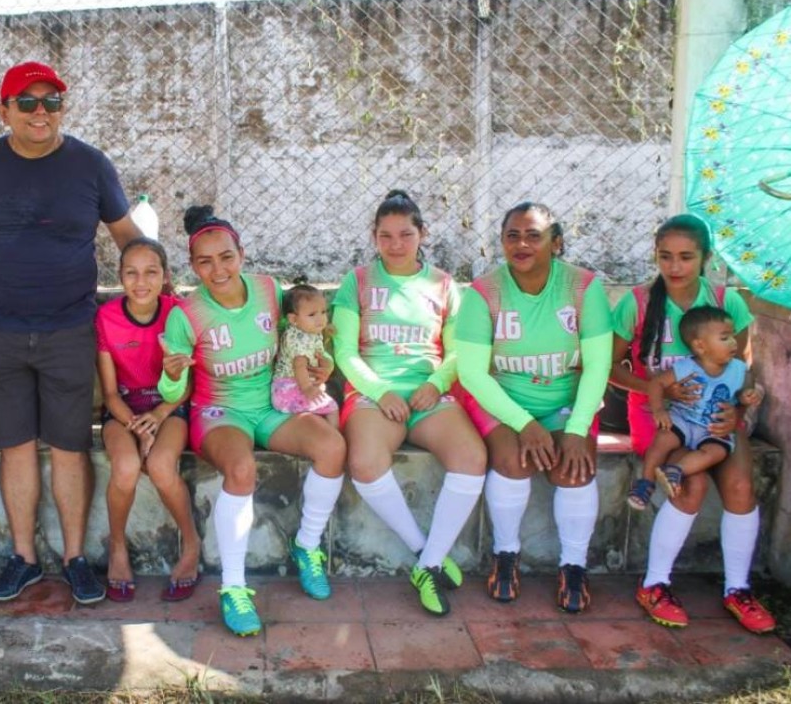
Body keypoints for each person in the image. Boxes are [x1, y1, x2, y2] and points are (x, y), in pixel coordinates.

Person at [0, 61, 141, 606]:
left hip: (71, 329)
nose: (40, 112)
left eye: (51, 101)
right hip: (0, 330)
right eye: (26, 102)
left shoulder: (91, 165)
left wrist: (157, 296)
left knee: (71, 448)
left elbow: (127, 236)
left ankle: (75, 559)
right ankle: (23, 559)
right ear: (4, 110)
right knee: (16, 448)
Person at [158, 205, 346, 637]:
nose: (217, 269)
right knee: (241, 469)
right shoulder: (186, 314)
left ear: (241, 254)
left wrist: (323, 366)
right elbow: (173, 391)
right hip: (219, 412)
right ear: (193, 266)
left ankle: (306, 547)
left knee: (333, 447)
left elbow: (302, 339)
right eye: (205, 262)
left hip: (270, 406)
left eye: (226, 256)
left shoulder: (267, 290)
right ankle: (234, 588)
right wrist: (171, 377)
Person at [609, 213, 775, 633]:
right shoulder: (639, 302)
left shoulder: (726, 301)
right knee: (692, 482)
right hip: (660, 415)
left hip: (716, 417)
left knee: (740, 483)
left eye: (686, 257)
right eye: (665, 257)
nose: (675, 267)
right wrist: (657, 387)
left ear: (705, 258)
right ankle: (655, 584)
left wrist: (739, 412)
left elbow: (742, 370)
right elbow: (611, 368)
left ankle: (738, 589)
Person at [332, 190, 486, 616]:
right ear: (374, 237)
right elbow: (344, 352)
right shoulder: (357, 282)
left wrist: (437, 383)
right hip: (373, 393)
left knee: (472, 457)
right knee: (363, 462)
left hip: (428, 392)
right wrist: (379, 391)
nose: (395, 244)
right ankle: (426, 552)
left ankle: (429, 563)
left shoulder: (443, 284)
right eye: (385, 236)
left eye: (405, 234)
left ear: (423, 234)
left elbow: (457, 352)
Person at [455, 202, 612, 614]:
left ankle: (573, 565)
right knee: (512, 461)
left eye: (534, 235)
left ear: (555, 242)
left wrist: (577, 429)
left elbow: (598, 365)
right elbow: (471, 373)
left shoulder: (583, 287)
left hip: (565, 402)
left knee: (573, 467)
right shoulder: (483, 292)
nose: (521, 244)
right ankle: (505, 554)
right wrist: (523, 422)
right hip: (503, 401)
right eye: (512, 236)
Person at [96, 237, 201, 603]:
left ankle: (190, 544)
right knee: (125, 466)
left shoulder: (179, 313)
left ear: (165, 276)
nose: (141, 282)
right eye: (131, 273)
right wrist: (137, 426)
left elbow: (188, 385)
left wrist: (157, 416)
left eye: (151, 272)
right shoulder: (106, 318)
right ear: (120, 276)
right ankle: (118, 549)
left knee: (159, 464)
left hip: (168, 408)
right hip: (123, 410)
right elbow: (110, 393)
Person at [628, 307, 759, 508]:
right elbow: (657, 383)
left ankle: (676, 470)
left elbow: (745, 388)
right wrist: (659, 410)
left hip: (712, 429)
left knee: (717, 452)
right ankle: (646, 482)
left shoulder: (738, 369)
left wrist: (746, 396)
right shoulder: (687, 366)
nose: (734, 342)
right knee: (662, 439)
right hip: (683, 420)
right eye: (725, 338)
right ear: (700, 346)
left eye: (732, 336)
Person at [271, 283, 339, 426]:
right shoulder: (298, 340)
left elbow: (318, 353)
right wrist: (307, 389)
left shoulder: (306, 330)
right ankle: (336, 433)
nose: (320, 318)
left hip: (294, 385)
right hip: (290, 388)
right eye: (312, 314)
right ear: (293, 319)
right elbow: (299, 366)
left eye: (324, 312)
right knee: (332, 408)